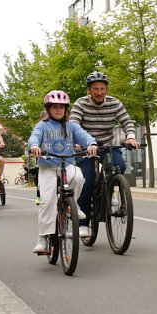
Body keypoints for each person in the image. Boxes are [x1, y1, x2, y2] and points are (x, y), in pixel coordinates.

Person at [69, 71, 139, 238]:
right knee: (87, 179)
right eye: (95, 89)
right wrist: (77, 142)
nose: (99, 92)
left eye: (102, 89)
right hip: (86, 147)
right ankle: (84, 225)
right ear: (89, 90)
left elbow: (127, 121)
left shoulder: (114, 103)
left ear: (106, 89)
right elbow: (73, 124)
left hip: (107, 145)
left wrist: (130, 136)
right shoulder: (81, 104)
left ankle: (107, 189)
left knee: (119, 166)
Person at [28, 90, 97, 254]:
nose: (58, 110)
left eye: (62, 107)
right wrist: (35, 146)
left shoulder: (72, 126)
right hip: (47, 167)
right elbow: (34, 137)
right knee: (47, 201)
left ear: (66, 109)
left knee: (79, 177)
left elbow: (84, 136)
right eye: (54, 107)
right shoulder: (42, 125)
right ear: (48, 109)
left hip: (67, 164)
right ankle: (43, 239)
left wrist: (91, 144)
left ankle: (73, 206)